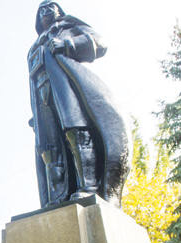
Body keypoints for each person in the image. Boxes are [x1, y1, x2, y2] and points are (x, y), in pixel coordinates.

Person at [28, 1, 131, 208]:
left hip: (66, 87)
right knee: (49, 147)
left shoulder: (67, 27)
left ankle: (89, 186)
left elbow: (99, 42)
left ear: (59, 11)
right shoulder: (33, 47)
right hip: (42, 97)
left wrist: (67, 45)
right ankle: (56, 198)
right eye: (41, 9)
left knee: (75, 130)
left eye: (51, 6)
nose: (46, 11)